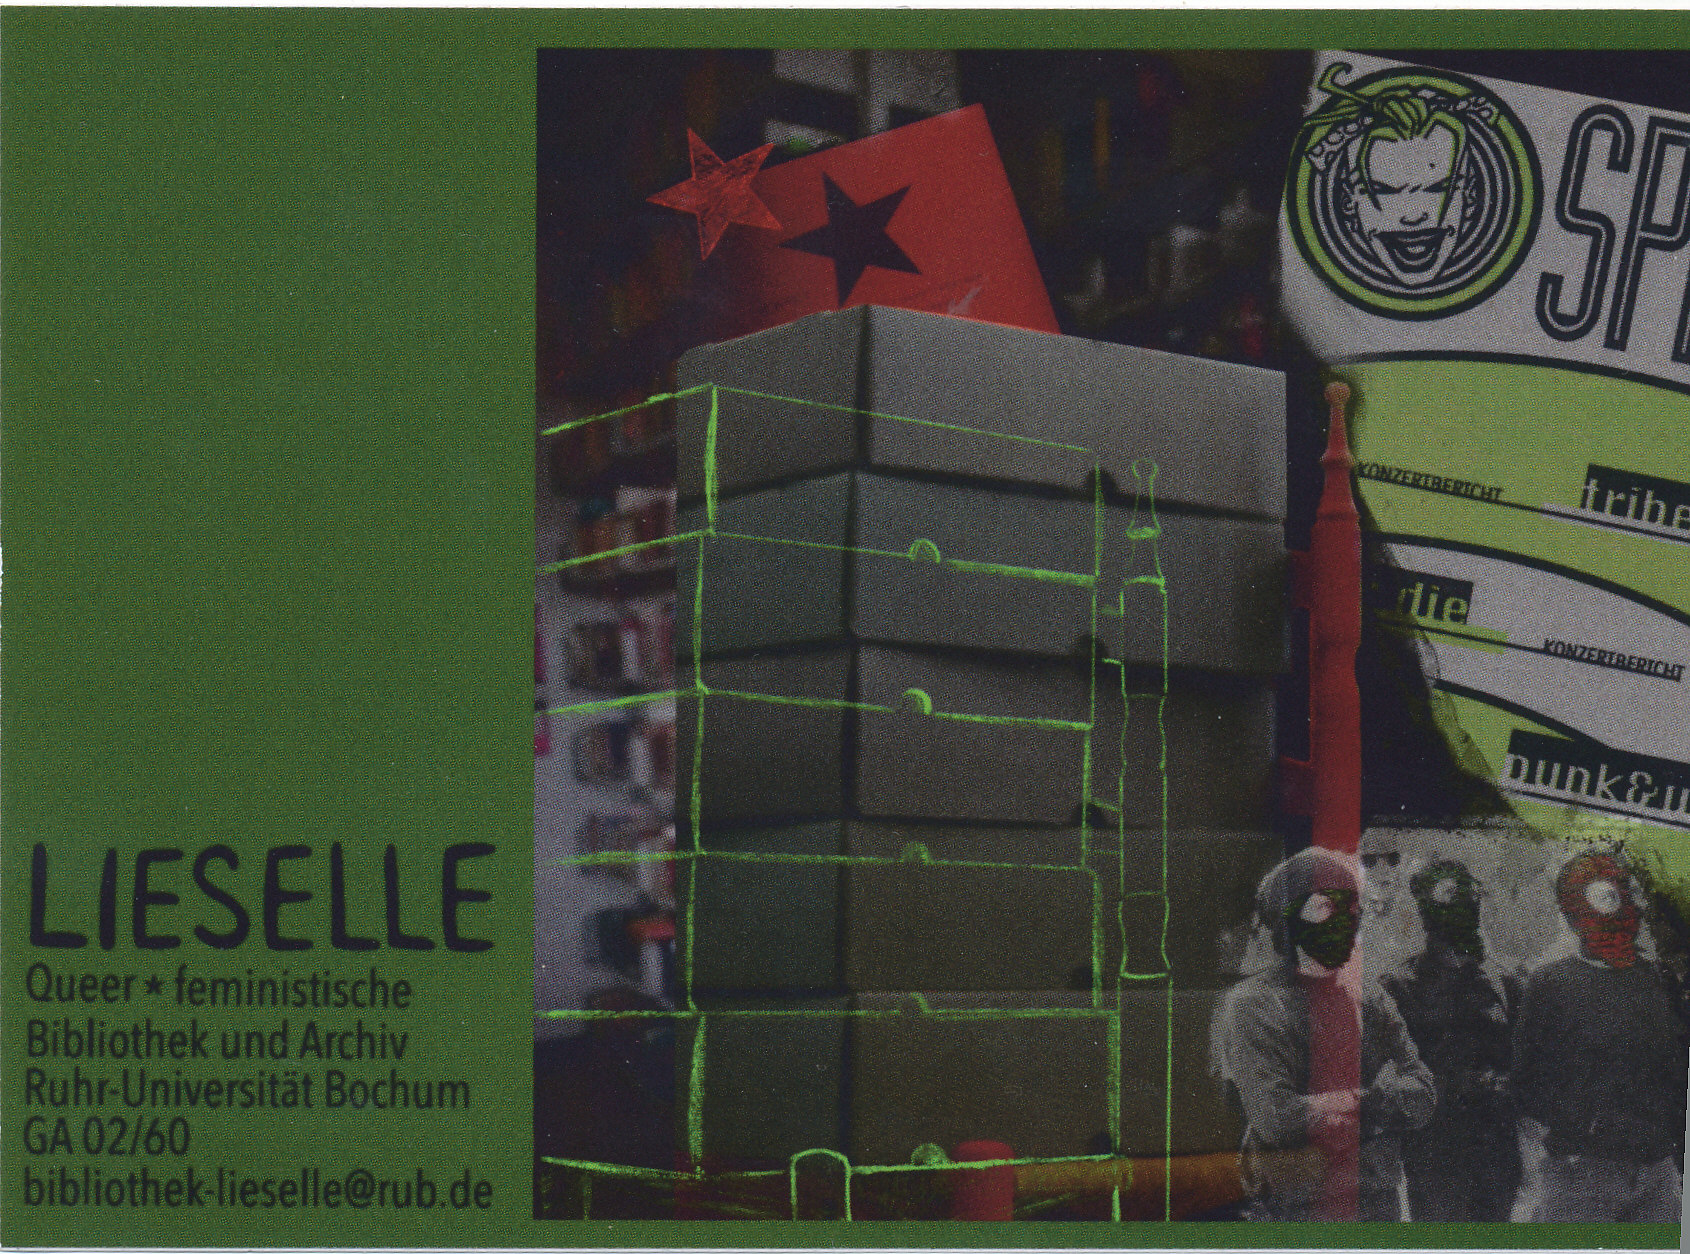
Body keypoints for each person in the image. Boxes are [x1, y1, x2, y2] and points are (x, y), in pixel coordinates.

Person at [1213, 847, 1435, 1220]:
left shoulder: (1370, 996)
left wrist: (1329, 1105)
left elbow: (1424, 1094)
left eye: (1351, 910)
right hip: (1296, 1209)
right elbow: (1279, 1120)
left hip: (1376, 1202)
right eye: (1324, 909)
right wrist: (1378, 1101)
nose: (1343, 923)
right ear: (1288, 920)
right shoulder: (1253, 1004)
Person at [1511, 848, 1687, 1222]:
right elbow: (1527, 1083)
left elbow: (1678, 1071)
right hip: (1583, 1174)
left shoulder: (1658, 980)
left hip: (1656, 1174)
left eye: (1625, 894)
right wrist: (1583, 1127)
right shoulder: (1550, 984)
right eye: (1607, 897)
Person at [1379, 859, 1521, 1220]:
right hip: (1435, 1150)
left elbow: (1527, 1061)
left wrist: (1505, 1086)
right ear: (1426, 914)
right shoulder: (1397, 985)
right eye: (1448, 905)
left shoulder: (1504, 982)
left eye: (1469, 903)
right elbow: (1387, 1075)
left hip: (1496, 1147)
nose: (1461, 915)